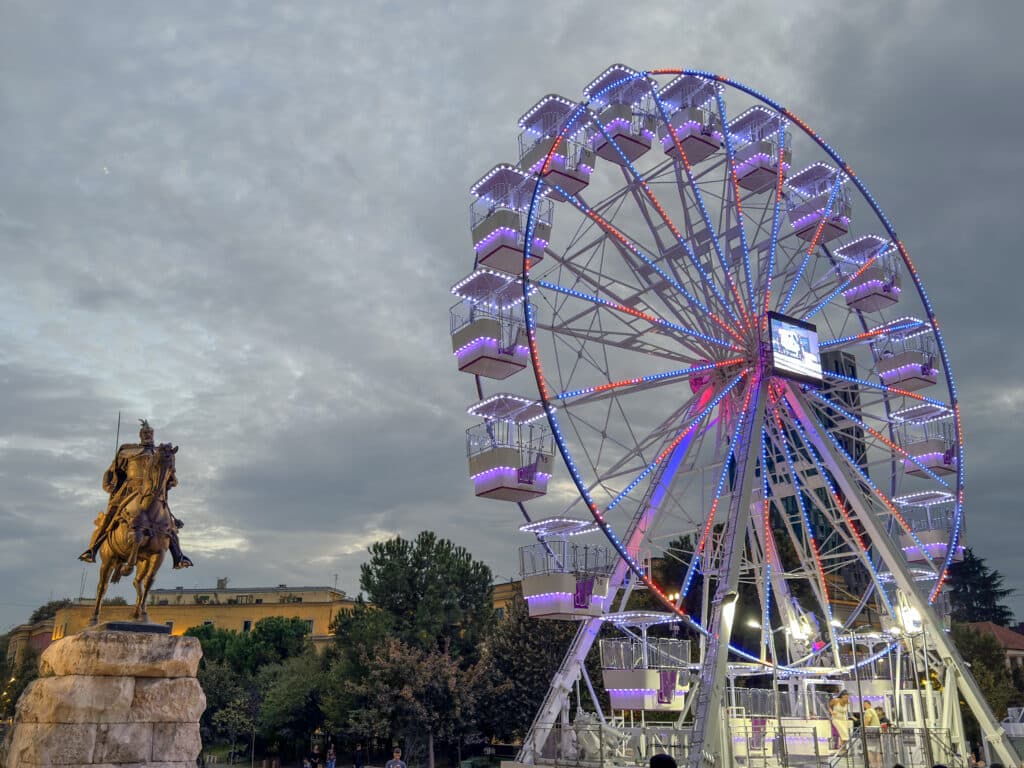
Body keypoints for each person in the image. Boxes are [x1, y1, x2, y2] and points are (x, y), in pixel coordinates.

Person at [79, 419, 193, 569]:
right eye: (145, 433)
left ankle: (178, 556)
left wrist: (172, 480)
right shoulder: (128, 451)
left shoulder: (160, 453)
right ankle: (92, 549)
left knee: (168, 524)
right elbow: (112, 470)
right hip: (129, 490)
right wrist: (108, 484)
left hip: (153, 493)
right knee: (110, 516)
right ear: (140, 435)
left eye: (150, 433)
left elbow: (170, 474)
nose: (148, 435)